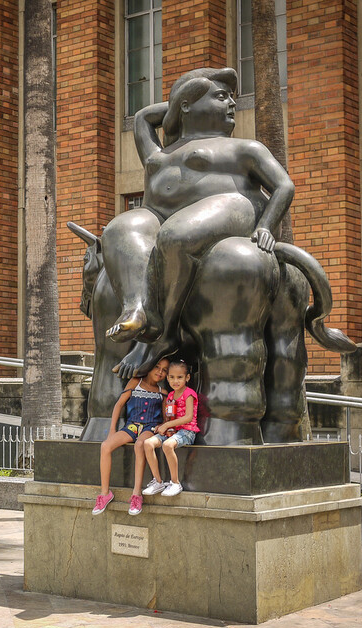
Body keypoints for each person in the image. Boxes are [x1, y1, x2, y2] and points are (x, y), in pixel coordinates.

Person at [101, 68, 294, 377]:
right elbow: (142, 118)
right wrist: (178, 104)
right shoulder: (157, 152)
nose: (232, 103)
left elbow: (284, 186)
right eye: (221, 97)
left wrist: (266, 226)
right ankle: (136, 309)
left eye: (231, 97)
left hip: (234, 206)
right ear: (188, 104)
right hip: (161, 215)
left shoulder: (245, 148)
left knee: (175, 236)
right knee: (119, 230)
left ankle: (165, 334)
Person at [92, 358, 170, 517]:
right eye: (157, 367)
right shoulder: (136, 382)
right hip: (131, 426)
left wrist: (165, 428)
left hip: (150, 427)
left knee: (140, 445)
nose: (160, 372)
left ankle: (136, 495)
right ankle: (105, 493)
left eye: (164, 370)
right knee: (105, 446)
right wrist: (112, 430)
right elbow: (119, 404)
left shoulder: (163, 392)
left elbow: (165, 417)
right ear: (149, 366)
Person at [141, 361, 199, 498]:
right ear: (167, 378)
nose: (175, 381)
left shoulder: (189, 394)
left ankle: (175, 482)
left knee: (167, 445)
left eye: (179, 377)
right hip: (172, 431)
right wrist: (162, 426)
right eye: (172, 377)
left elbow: (188, 417)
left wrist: (167, 426)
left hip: (187, 431)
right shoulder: (171, 395)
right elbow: (169, 416)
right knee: (148, 443)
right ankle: (158, 481)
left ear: (187, 378)